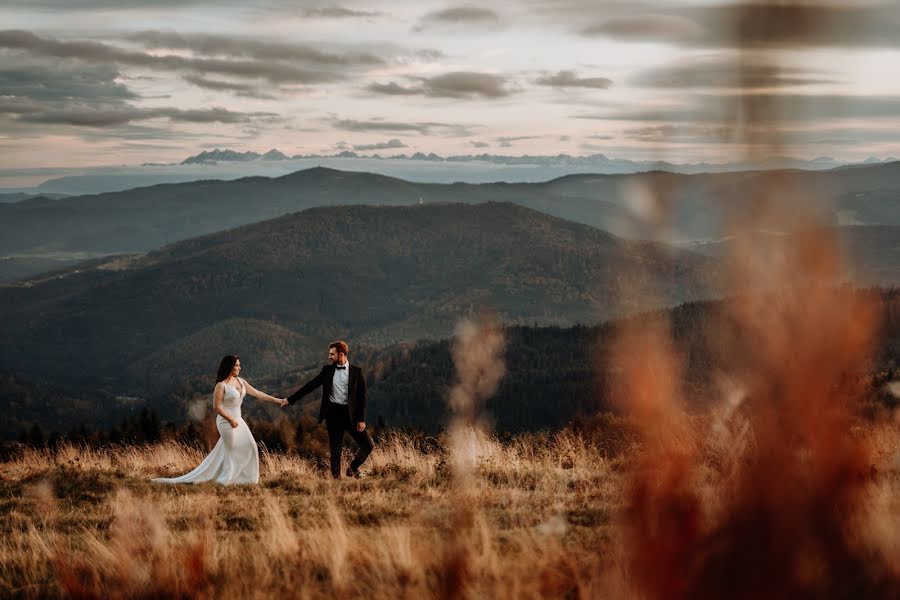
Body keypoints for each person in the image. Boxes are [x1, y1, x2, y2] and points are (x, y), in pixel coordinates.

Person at [152, 355, 287, 485]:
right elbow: (216, 407)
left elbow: (258, 393)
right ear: (229, 367)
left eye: (239, 365)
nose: (239, 368)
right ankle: (226, 480)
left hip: (238, 420)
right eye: (237, 366)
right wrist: (230, 420)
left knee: (250, 446)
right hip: (225, 421)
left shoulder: (241, 381)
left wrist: (277, 400)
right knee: (232, 449)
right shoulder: (221, 386)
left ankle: (247, 479)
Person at [286, 341, 374, 479]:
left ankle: (352, 468)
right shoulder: (327, 371)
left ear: (341, 354)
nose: (329, 357)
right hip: (333, 414)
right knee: (335, 450)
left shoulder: (357, 372)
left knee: (368, 444)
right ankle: (336, 480)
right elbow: (310, 386)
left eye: (332, 354)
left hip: (351, 415)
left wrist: (361, 419)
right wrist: (290, 400)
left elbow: (362, 397)